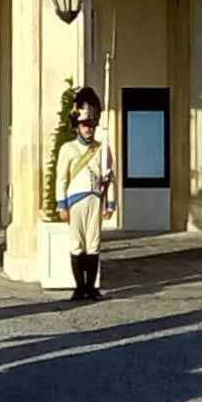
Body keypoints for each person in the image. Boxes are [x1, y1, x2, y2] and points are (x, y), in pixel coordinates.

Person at [55, 86, 115, 302]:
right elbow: (61, 179)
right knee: (76, 244)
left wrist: (110, 204)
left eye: (91, 124)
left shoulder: (101, 148)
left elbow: (109, 177)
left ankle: (91, 287)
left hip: (95, 200)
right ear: (77, 126)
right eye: (84, 125)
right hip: (75, 201)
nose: (88, 129)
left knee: (93, 244)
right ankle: (79, 287)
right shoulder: (67, 149)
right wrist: (61, 205)